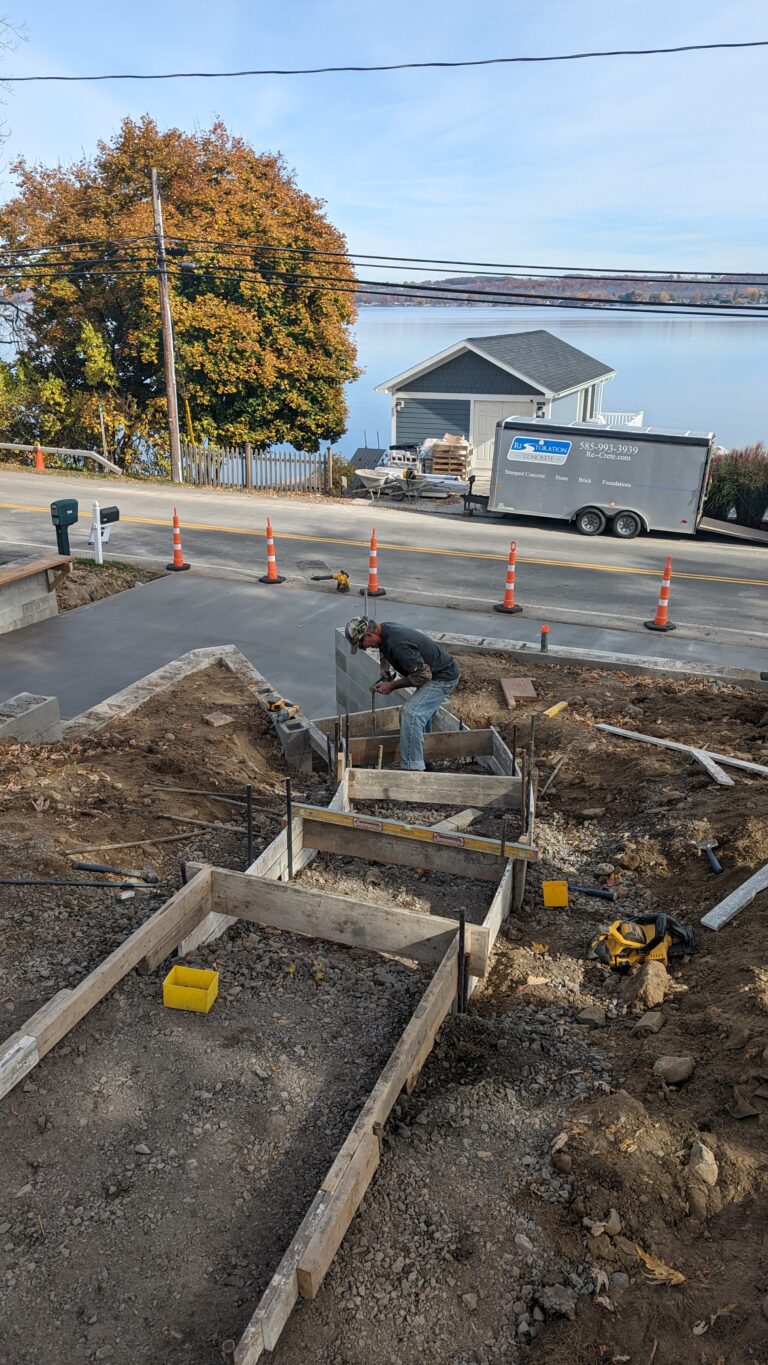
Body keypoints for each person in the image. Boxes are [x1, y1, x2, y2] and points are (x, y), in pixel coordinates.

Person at [344, 617, 460, 770]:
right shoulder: (384, 630)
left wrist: (391, 686)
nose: (363, 649)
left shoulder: (398, 644)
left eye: (361, 644)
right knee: (419, 714)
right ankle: (425, 760)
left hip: (442, 678)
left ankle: (412, 769)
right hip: (434, 672)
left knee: (411, 714)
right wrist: (386, 669)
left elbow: (423, 676)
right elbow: (383, 646)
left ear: (369, 635)